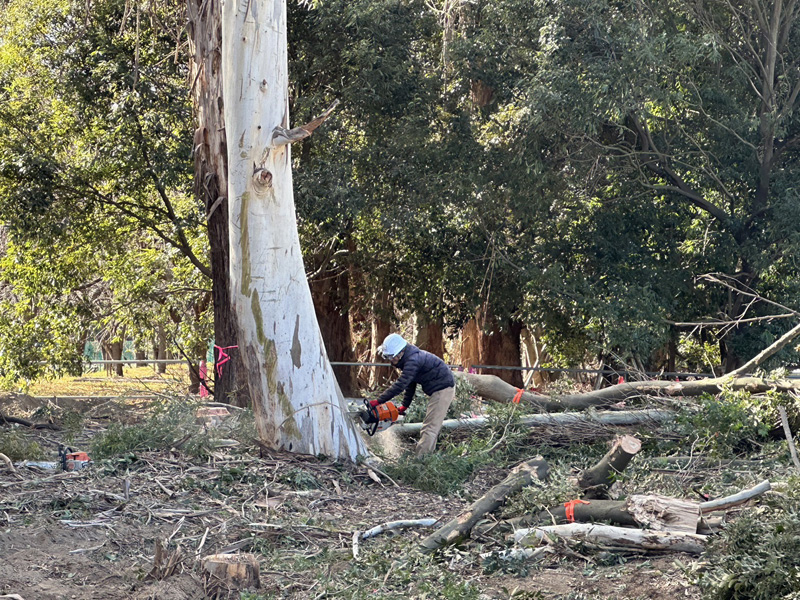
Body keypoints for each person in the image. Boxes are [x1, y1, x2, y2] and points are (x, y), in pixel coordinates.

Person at [372, 333, 455, 455]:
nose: (390, 360)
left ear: (400, 352)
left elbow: (401, 385)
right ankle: (428, 457)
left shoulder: (413, 360)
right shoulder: (409, 358)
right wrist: (405, 405)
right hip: (438, 388)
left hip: (443, 389)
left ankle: (419, 462)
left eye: (391, 356)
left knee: (430, 427)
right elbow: (410, 384)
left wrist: (379, 401)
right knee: (432, 426)